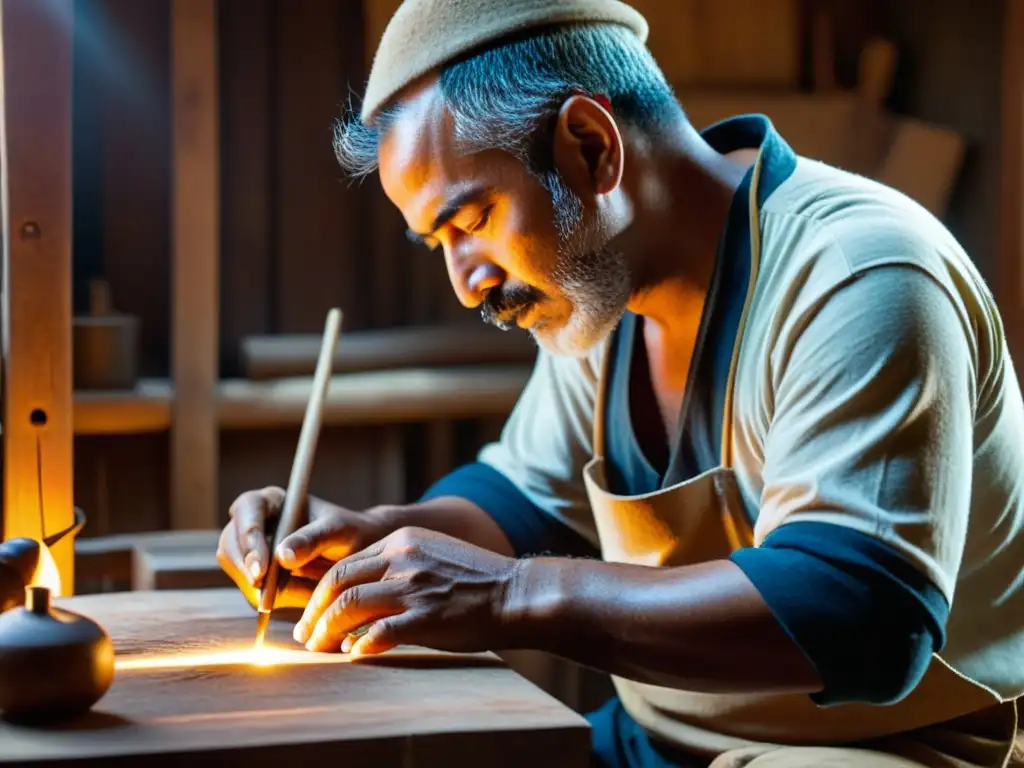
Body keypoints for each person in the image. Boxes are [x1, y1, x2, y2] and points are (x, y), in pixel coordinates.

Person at [216, 1, 1024, 765]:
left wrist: (512, 596)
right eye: (440, 245)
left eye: (470, 224)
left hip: (886, 751)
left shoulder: (859, 272)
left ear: (593, 147)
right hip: (658, 741)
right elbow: (526, 504)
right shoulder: (599, 295)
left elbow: (861, 615)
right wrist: (372, 539)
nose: (466, 284)